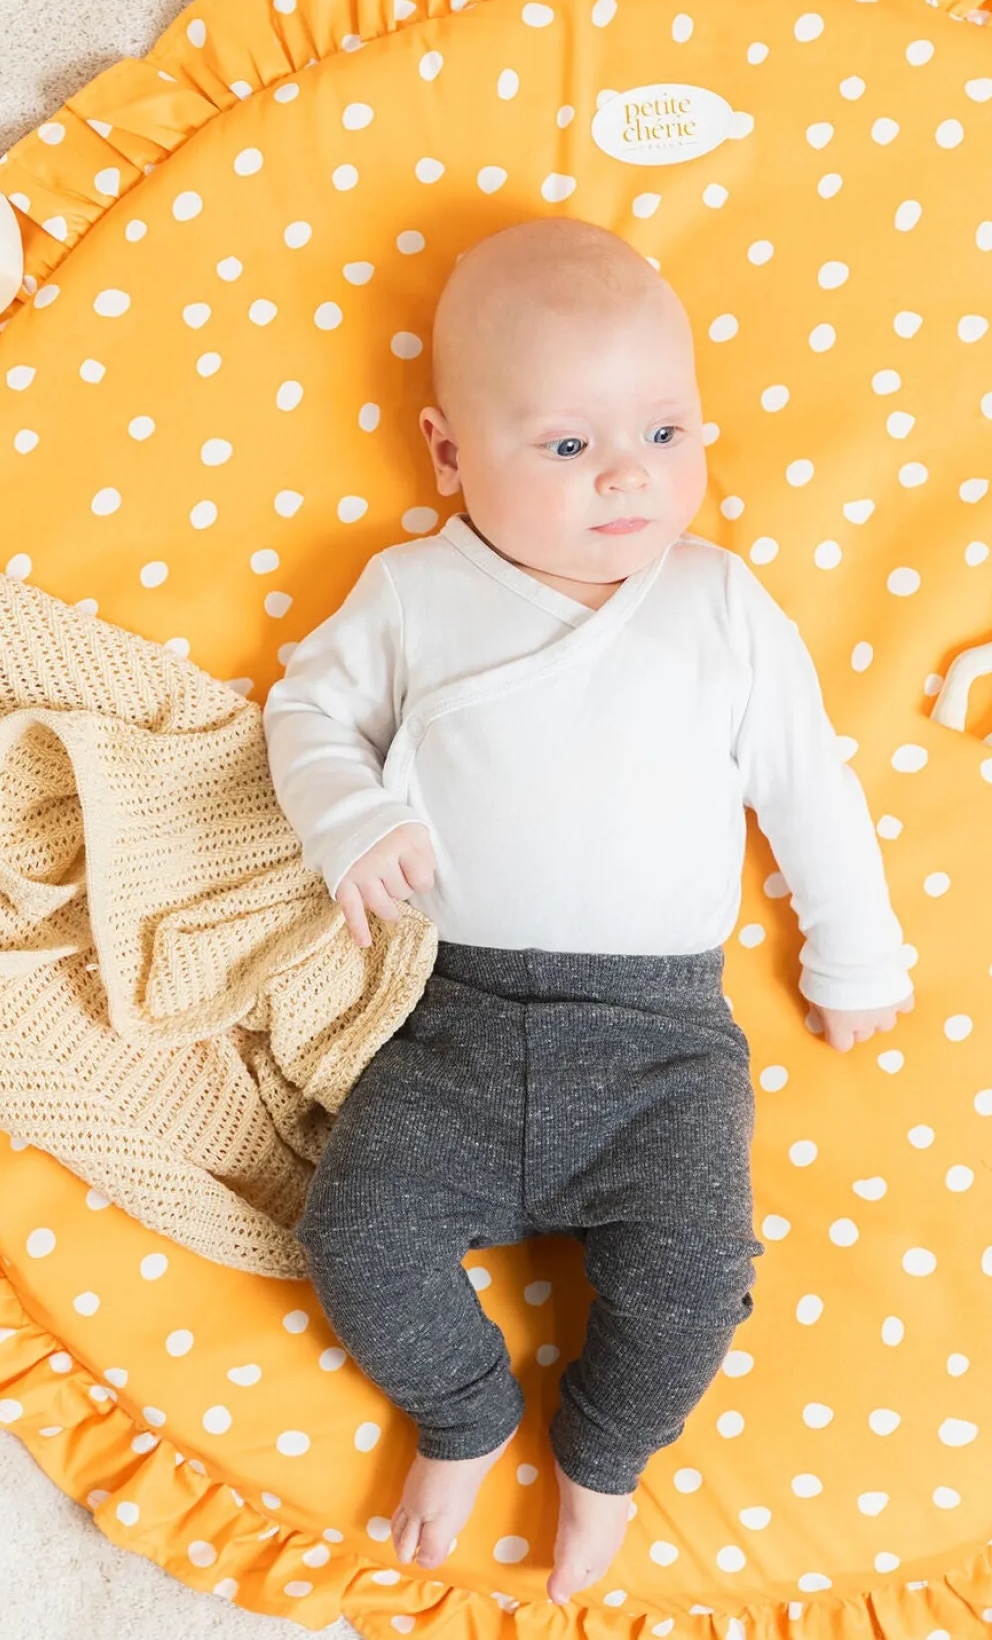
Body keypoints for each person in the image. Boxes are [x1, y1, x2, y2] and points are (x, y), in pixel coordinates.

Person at [261, 216, 915, 1606]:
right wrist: (354, 820)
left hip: (659, 1044)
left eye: (666, 432)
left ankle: (606, 1455)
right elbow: (306, 716)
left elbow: (809, 784)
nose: (629, 473)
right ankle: (461, 1412)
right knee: (351, 1231)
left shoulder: (719, 604)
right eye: (567, 444)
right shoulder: (414, 593)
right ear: (448, 452)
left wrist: (855, 950)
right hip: (447, 1022)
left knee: (700, 1273)